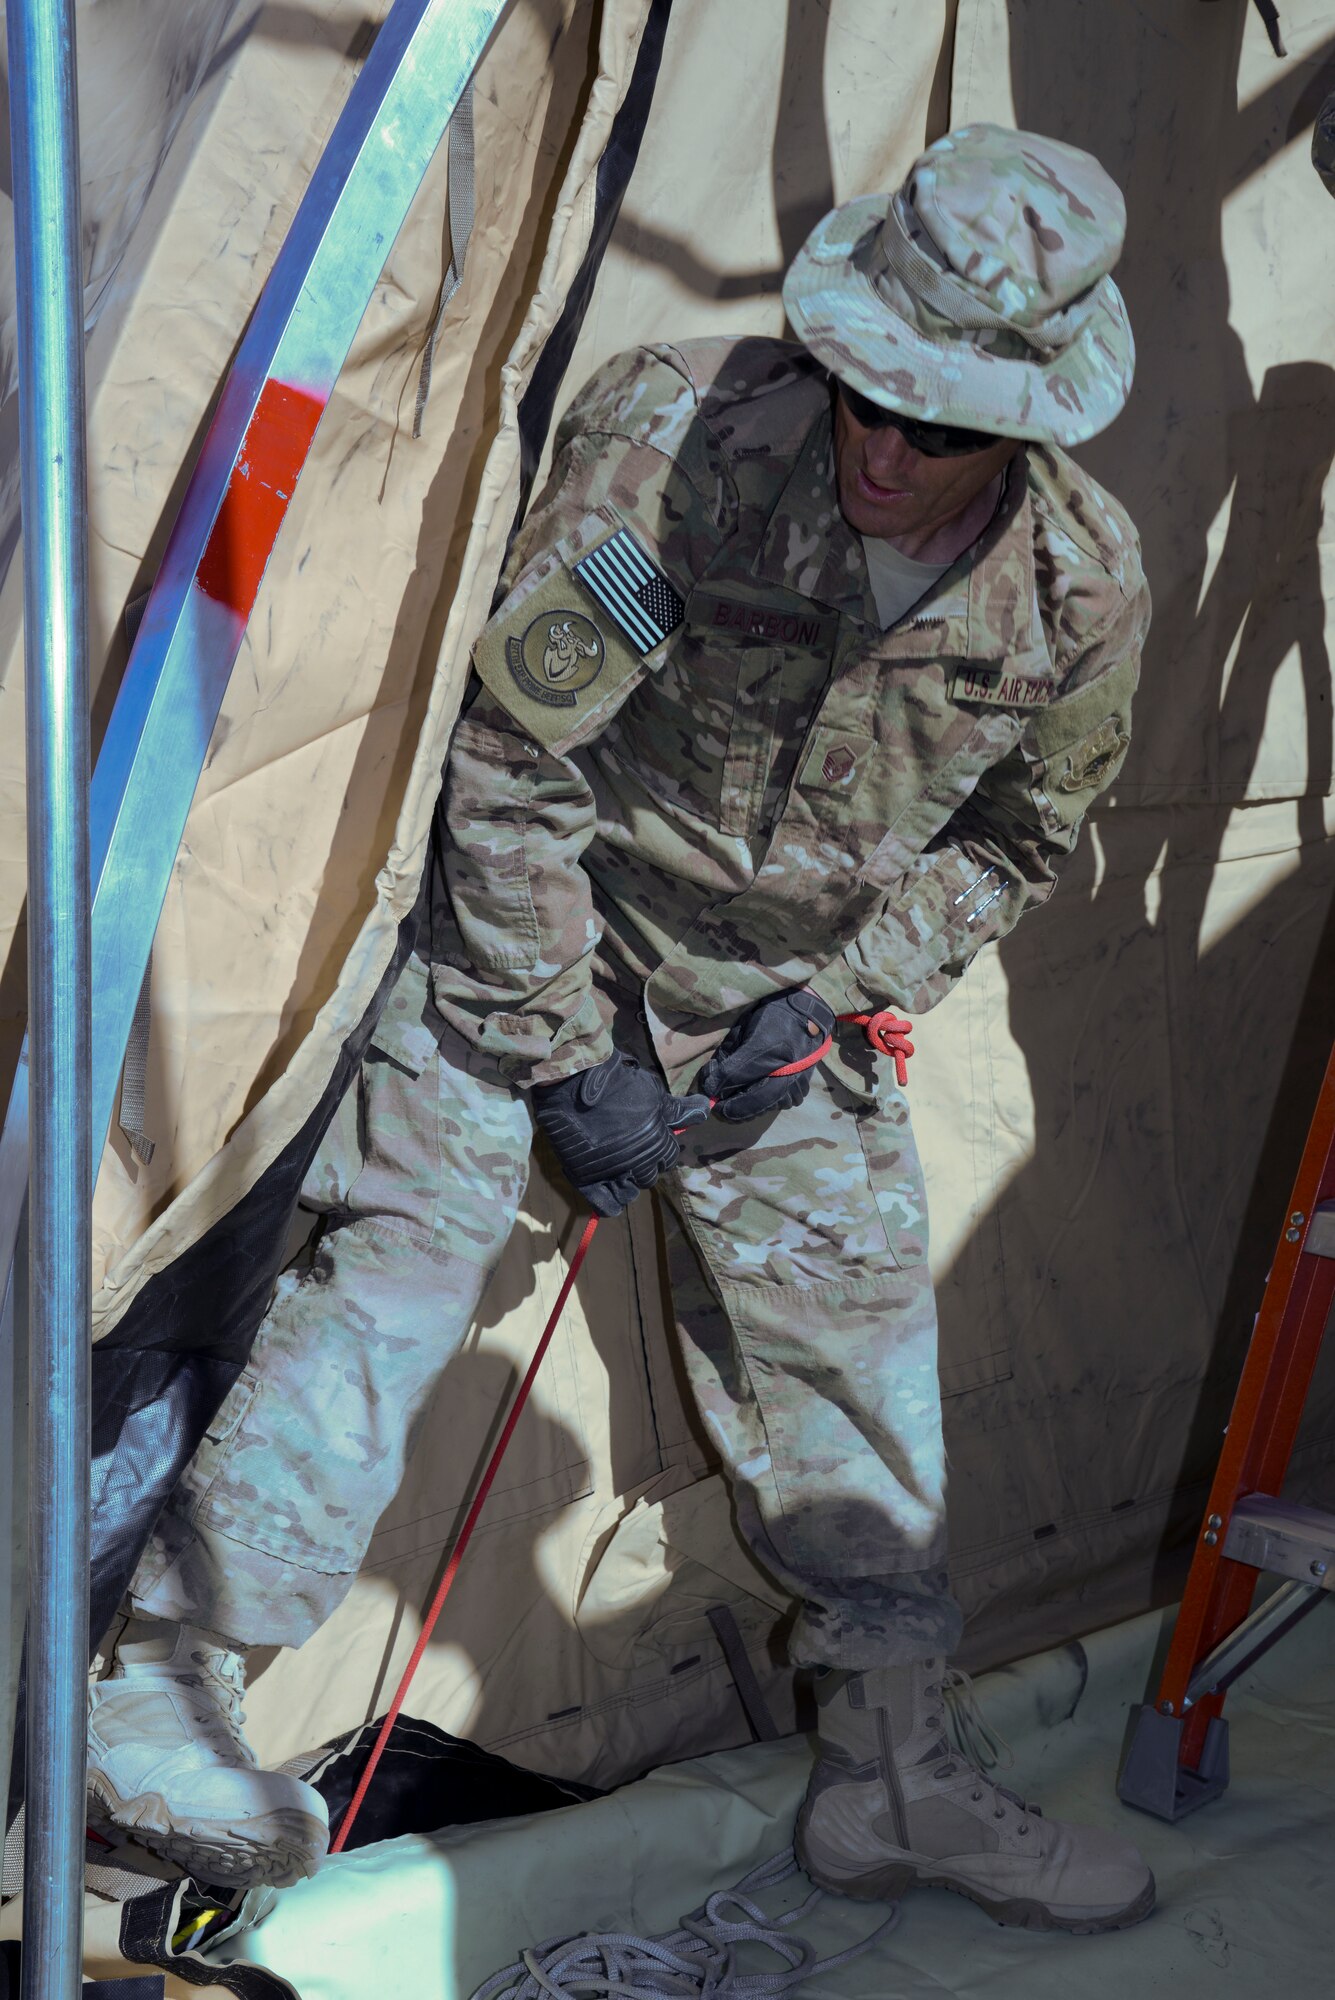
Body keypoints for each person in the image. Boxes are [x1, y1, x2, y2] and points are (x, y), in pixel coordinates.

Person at [87, 123, 1155, 1929]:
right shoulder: (683, 449)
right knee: (405, 1269)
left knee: (860, 1380)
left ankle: (897, 1778)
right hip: (553, 938)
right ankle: (160, 1693)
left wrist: (834, 1000)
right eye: (862, 392)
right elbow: (513, 759)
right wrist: (559, 1041)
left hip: (781, 1012)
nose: (883, 449)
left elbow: (1018, 838)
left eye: (940, 425)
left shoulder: (1081, 588)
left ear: (1035, 420)